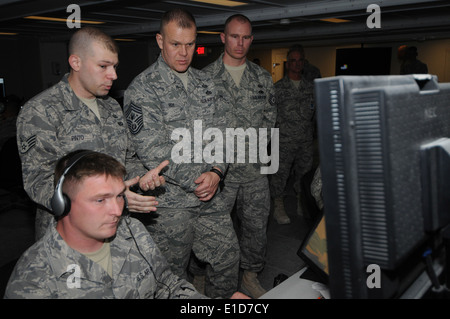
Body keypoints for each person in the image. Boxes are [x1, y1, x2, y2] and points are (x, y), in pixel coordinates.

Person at [4, 150, 248, 299]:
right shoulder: (34, 277)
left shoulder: (131, 231)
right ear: (62, 204)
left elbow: (168, 289)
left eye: (120, 195)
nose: (117, 210)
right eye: (100, 200)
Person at [123, 9, 240, 299]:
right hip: (170, 205)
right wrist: (201, 179)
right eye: (176, 44)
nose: (184, 52)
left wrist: (216, 172)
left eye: (190, 44)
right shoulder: (142, 88)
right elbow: (153, 150)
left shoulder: (206, 84)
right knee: (170, 279)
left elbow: (223, 134)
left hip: (209, 195)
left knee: (228, 258)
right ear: (160, 40)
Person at [16, 27, 166, 241]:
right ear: (76, 63)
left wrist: (142, 178)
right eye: (103, 66)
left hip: (114, 226)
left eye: (114, 66)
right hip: (69, 233)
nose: (113, 75)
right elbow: (39, 181)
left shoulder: (111, 107)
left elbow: (125, 159)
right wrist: (110, 196)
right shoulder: (41, 110)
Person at [203, 14, 277, 298]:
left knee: (256, 225)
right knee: (211, 228)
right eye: (234, 36)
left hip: (253, 170)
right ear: (223, 37)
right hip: (216, 173)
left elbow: (270, 117)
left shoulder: (262, 78)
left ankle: (249, 274)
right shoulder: (205, 78)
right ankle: (201, 277)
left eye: (246, 37)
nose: (240, 42)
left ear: (252, 40)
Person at [269, 45, 316, 224]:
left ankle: (301, 202)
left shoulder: (310, 87)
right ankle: (278, 205)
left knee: (304, 173)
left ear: (303, 63)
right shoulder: (278, 88)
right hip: (284, 140)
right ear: (288, 64)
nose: (297, 64)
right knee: (280, 174)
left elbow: (315, 114)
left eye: (300, 60)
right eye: (293, 61)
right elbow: (271, 115)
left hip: (305, 140)